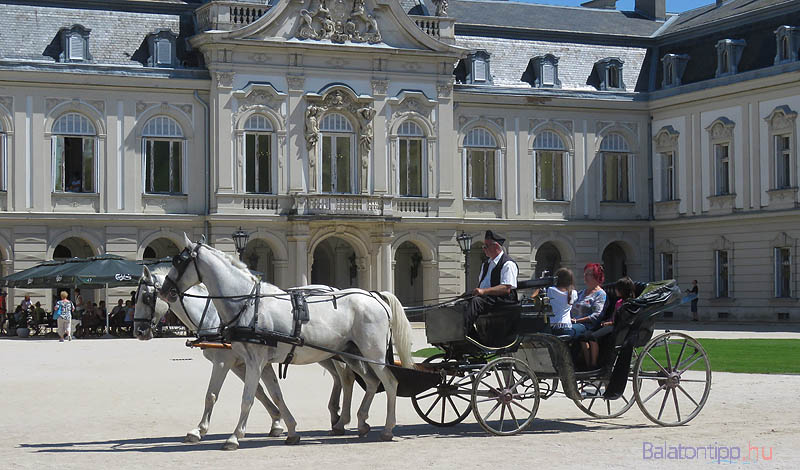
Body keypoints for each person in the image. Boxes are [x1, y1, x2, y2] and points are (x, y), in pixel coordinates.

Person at [463, 230, 519, 333]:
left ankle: (466, 331)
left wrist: (483, 292)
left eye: (486, 246)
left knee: (476, 302)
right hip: (487, 299)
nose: (483, 249)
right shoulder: (486, 264)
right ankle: (455, 329)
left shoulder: (508, 264)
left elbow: (506, 288)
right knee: (464, 298)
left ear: (496, 246)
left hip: (501, 301)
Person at [570, 263, 607, 369]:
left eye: (588, 274)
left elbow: (596, 315)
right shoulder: (581, 292)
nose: (585, 277)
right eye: (585, 274)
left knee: (568, 331)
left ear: (596, 276)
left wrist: (577, 321)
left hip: (587, 326)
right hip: (574, 323)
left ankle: (583, 364)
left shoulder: (600, 294)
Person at [537, 267, 580, 338]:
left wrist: (540, 283)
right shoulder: (573, 293)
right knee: (583, 329)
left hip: (553, 327)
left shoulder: (551, 290)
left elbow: (534, 296)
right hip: (567, 326)